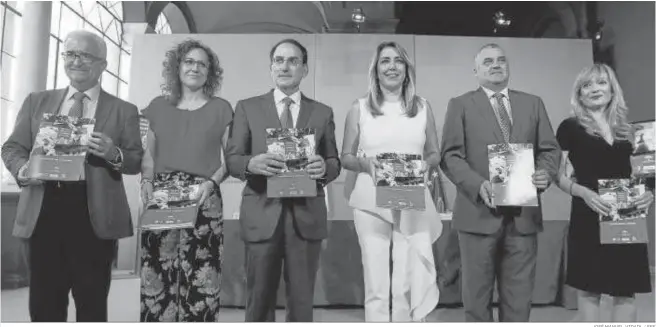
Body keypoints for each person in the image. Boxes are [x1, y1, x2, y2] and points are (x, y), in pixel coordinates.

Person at [0, 30, 143, 322]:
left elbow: (135, 160)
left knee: (91, 304)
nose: (76, 61)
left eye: (86, 55)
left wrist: (113, 153)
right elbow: (13, 147)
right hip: (43, 211)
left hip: (93, 218)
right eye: (71, 54)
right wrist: (24, 170)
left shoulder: (124, 110)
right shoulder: (36, 101)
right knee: (44, 303)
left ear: (103, 64)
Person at [439, 43, 560, 322]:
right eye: (488, 62)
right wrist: (477, 184)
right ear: (476, 70)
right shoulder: (460, 105)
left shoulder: (533, 103)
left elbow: (549, 150)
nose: (496, 65)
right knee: (476, 300)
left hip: (523, 217)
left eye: (501, 60)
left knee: (519, 300)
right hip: (477, 214)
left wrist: (546, 173)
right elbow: (450, 155)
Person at [225, 38, 340, 322]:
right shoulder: (247, 107)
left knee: (302, 302)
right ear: (271, 67)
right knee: (259, 299)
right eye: (279, 60)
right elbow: (233, 158)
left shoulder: (322, 112)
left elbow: (334, 161)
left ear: (305, 69)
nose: (285, 66)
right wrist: (252, 163)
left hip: (306, 216)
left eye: (293, 61)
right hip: (262, 212)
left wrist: (323, 168)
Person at [341, 41, 443, 322]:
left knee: (405, 282)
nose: (392, 66)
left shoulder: (423, 107)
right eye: (385, 61)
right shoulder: (359, 108)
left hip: (410, 198)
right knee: (376, 283)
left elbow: (435, 152)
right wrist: (366, 164)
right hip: (369, 201)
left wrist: (426, 164)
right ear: (376, 69)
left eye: (398, 61)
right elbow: (345, 157)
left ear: (407, 68)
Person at [139, 39, 233, 322]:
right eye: (189, 61)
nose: (195, 67)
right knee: (157, 270)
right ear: (177, 67)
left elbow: (231, 159)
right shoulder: (157, 106)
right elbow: (149, 155)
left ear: (210, 72)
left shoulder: (221, 108)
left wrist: (212, 183)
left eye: (202, 63)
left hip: (204, 196)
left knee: (203, 273)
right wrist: (145, 181)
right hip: (162, 196)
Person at [554, 63, 654, 322]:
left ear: (612, 89)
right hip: (589, 215)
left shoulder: (632, 130)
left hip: (626, 217)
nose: (594, 89)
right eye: (586, 85)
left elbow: (647, 176)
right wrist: (582, 193)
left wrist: (650, 194)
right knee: (590, 290)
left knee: (626, 290)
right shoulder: (569, 128)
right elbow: (559, 176)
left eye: (600, 82)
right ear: (579, 94)